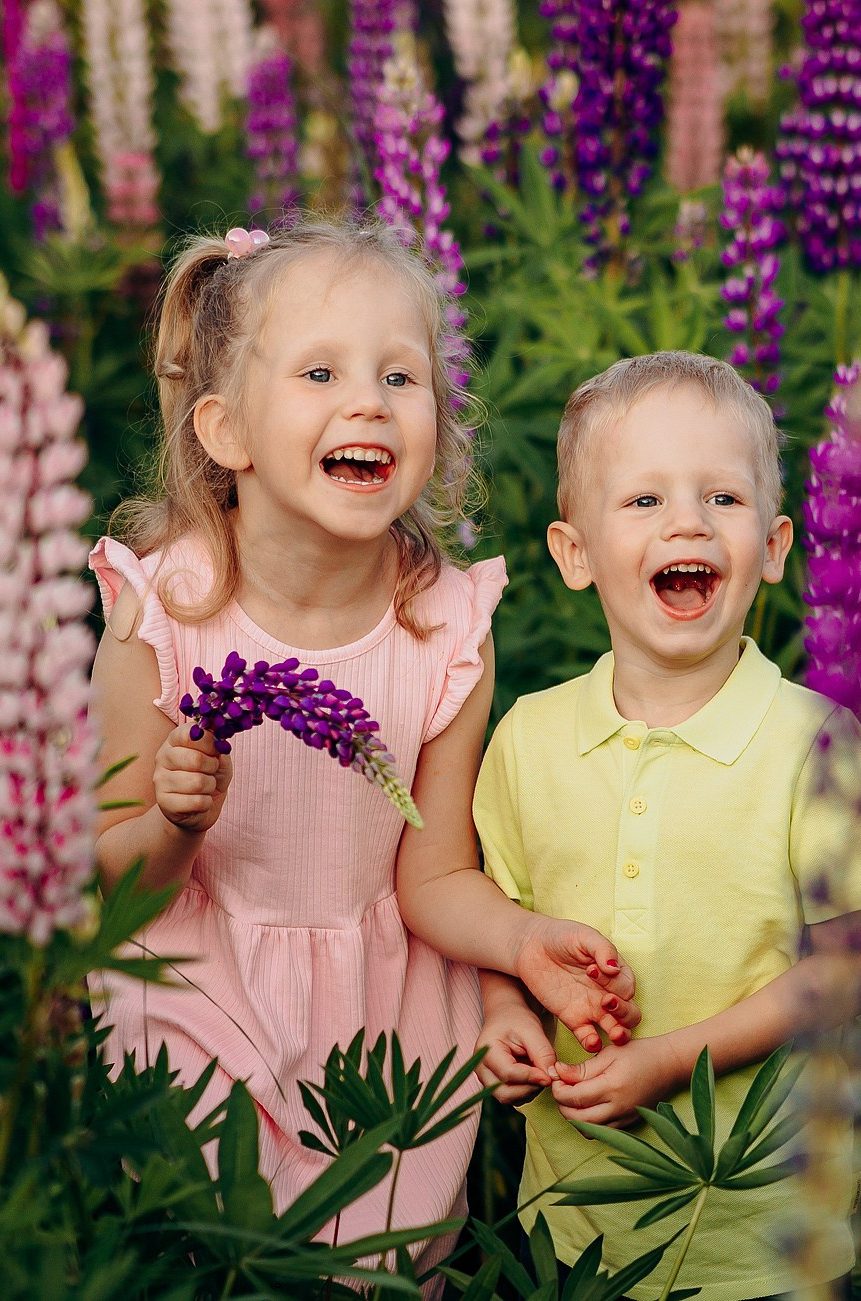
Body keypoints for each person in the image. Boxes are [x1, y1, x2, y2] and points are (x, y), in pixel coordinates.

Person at [88, 217, 636, 1273]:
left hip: (382, 1023)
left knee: (376, 1269)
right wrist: (174, 819)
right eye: (323, 372)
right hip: (200, 992)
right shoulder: (160, 610)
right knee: (219, 1261)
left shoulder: (441, 628)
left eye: (401, 375)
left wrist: (517, 950)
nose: (369, 402)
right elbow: (103, 880)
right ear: (225, 429)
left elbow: (432, 871)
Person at [402, 351, 861, 1300]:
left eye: (722, 496)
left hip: (765, 1227)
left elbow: (856, 962)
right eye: (643, 501)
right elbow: (495, 919)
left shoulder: (815, 740)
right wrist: (507, 1016)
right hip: (572, 1217)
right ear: (574, 552)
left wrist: (672, 1061)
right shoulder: (530, 737)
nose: (687, 520)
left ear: (774, 545)